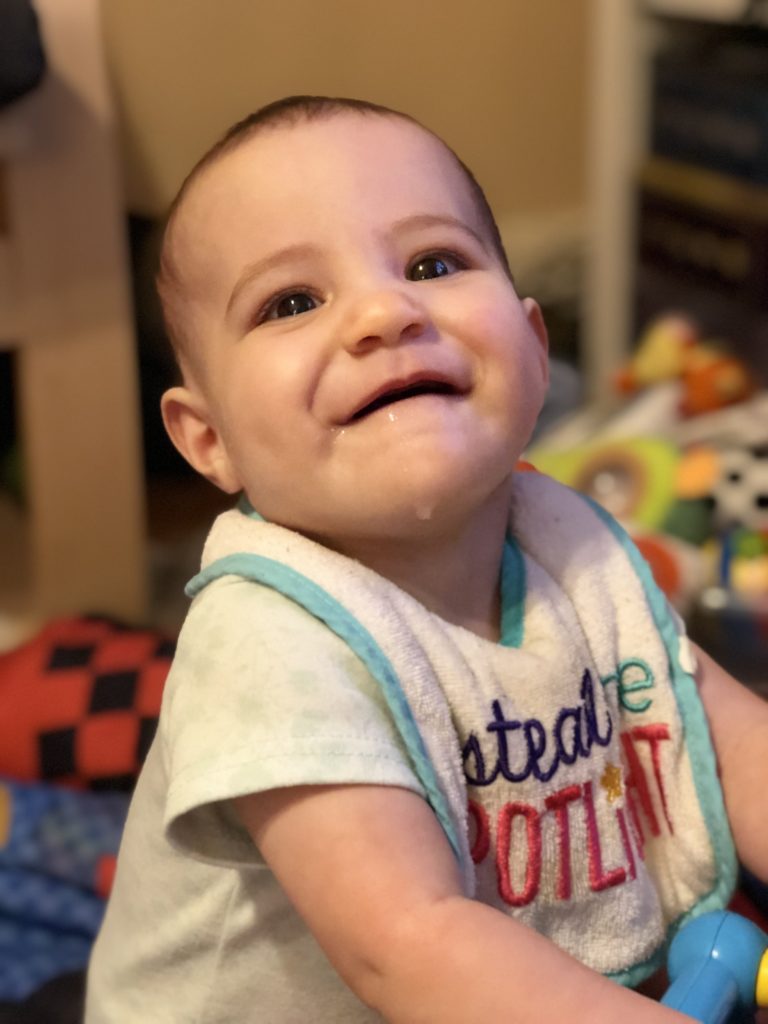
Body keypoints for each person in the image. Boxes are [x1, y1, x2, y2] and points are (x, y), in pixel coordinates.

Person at [85, 95, 768, 1023]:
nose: (382, 311)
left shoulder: (569, 543)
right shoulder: (268, 642)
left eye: (432, 263)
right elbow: (411, 946)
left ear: (534, 350)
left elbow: (726, 743)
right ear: (210, 442)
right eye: (293, 301)